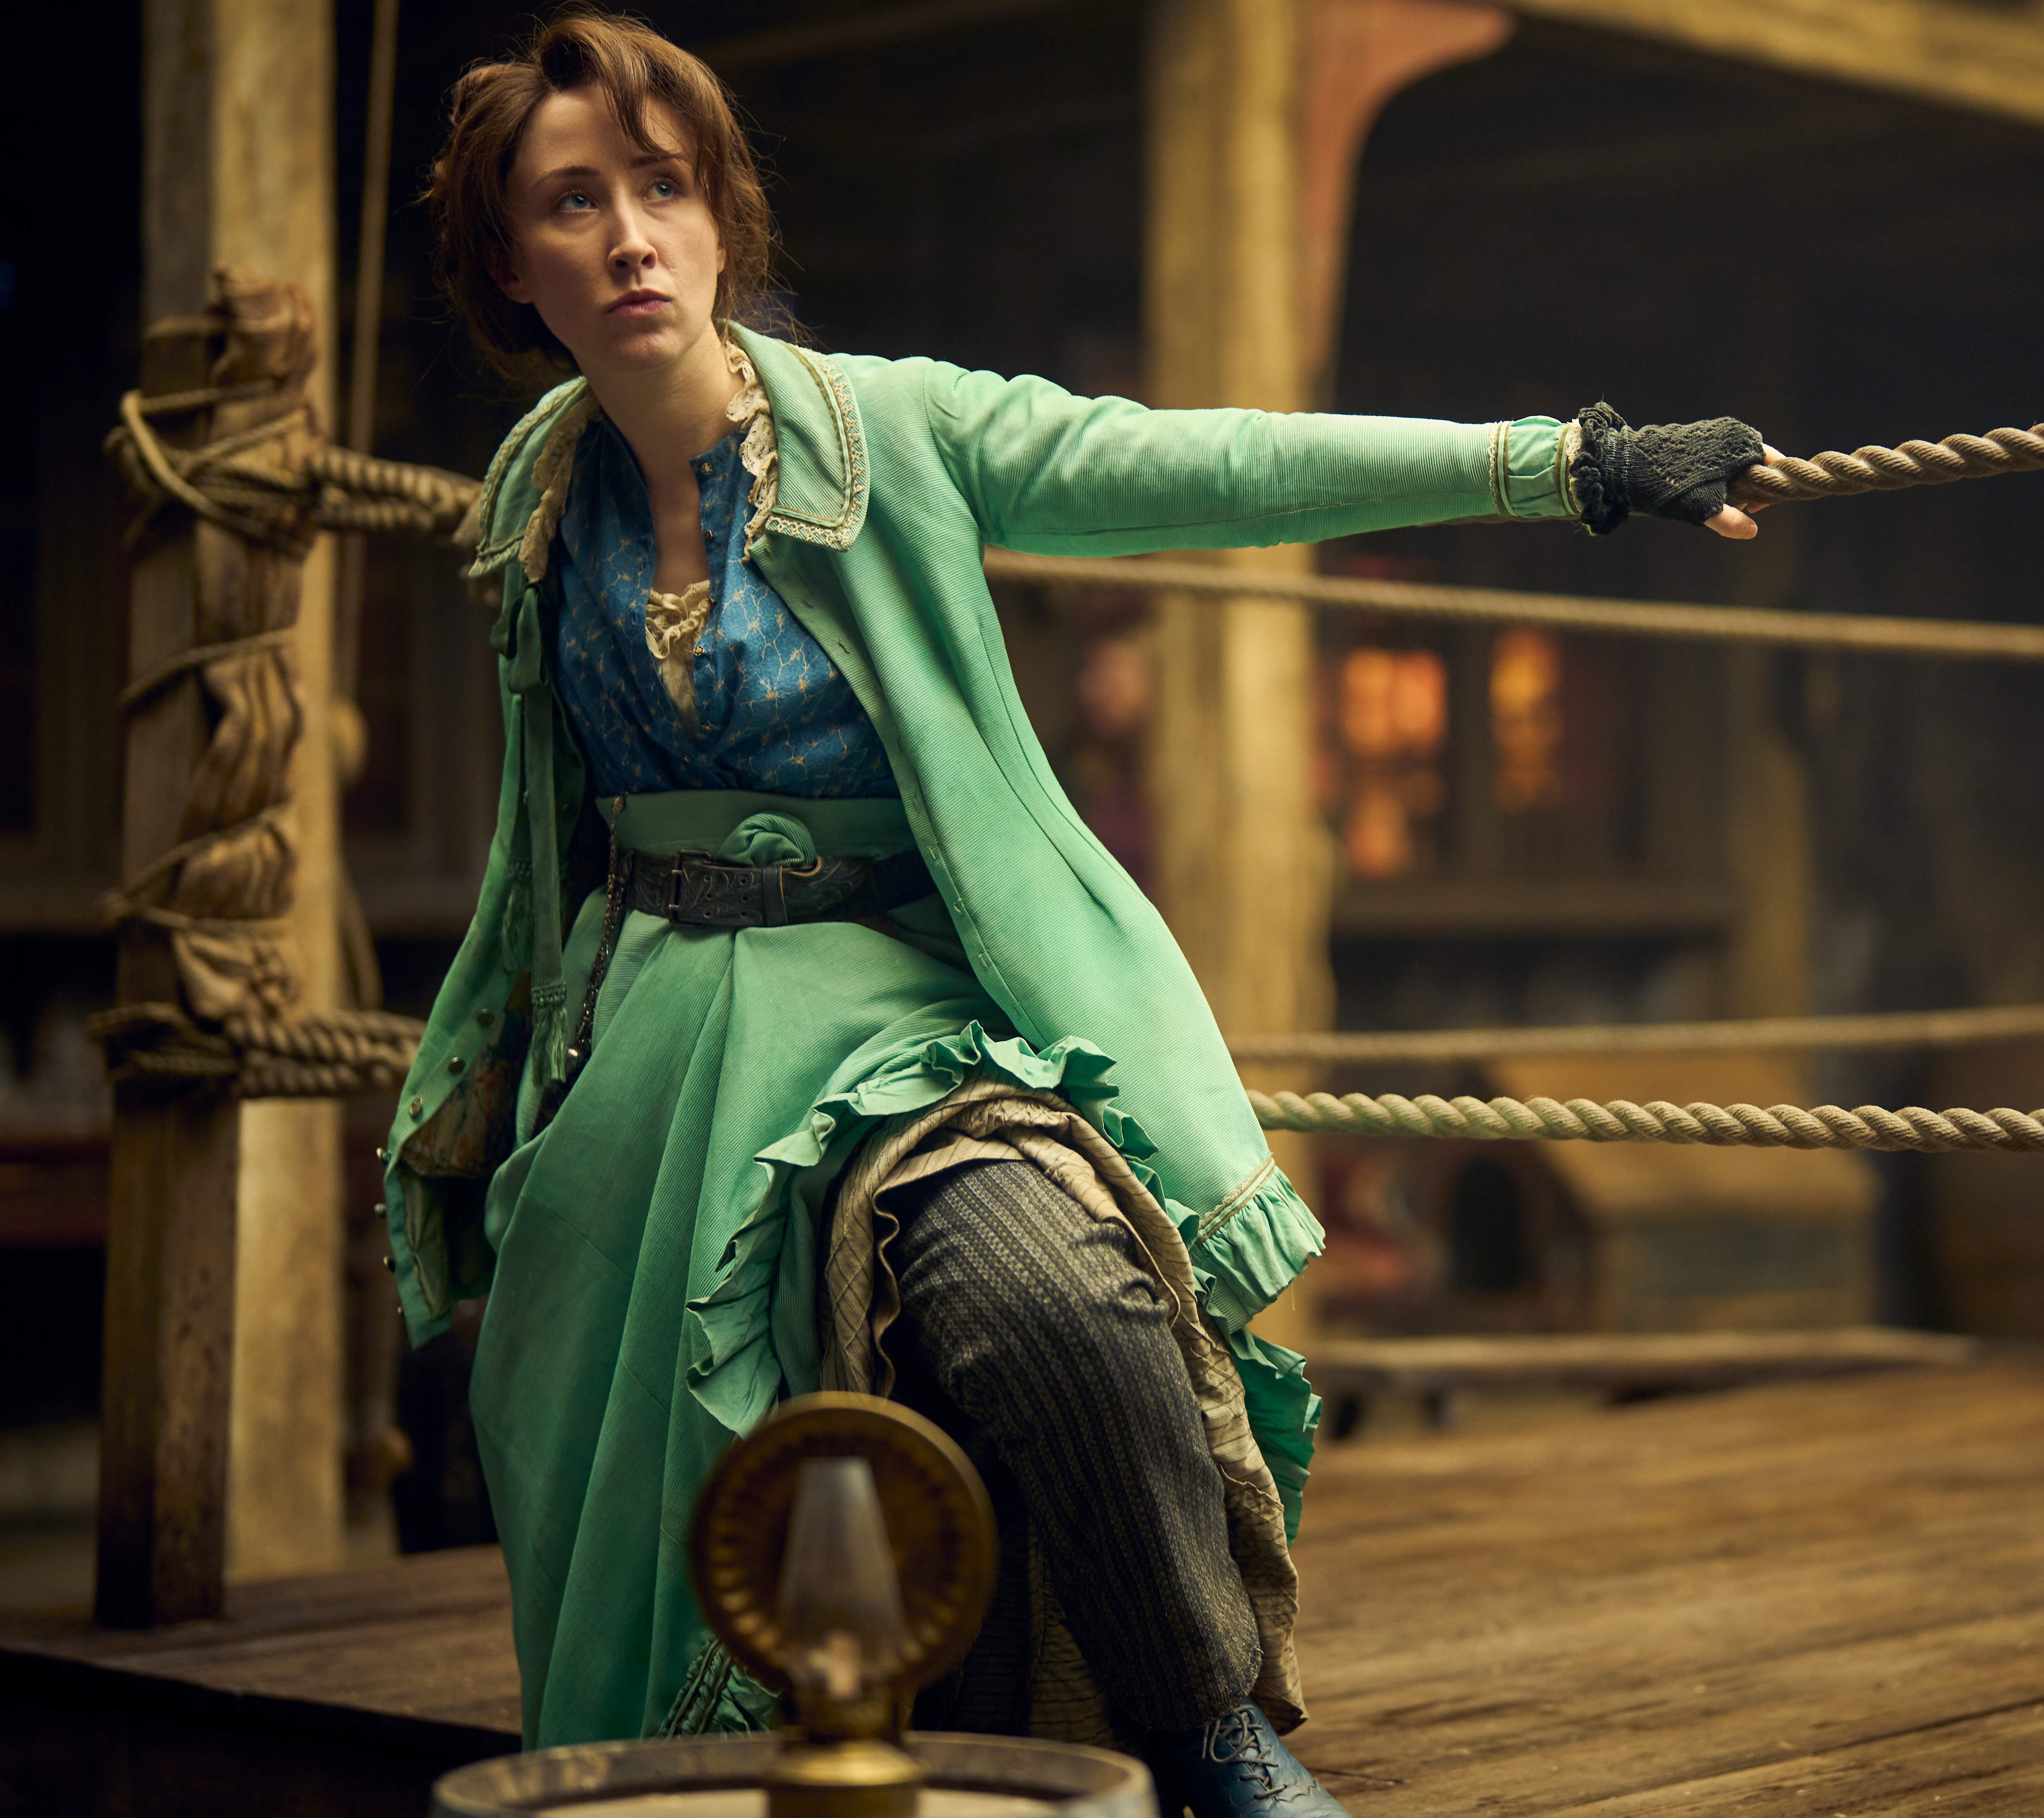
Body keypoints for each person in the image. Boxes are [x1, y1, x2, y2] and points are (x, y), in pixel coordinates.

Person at [374, 12, 1769, 1815]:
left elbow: (1218, 464)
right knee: (570, 1439)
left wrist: (1564, 466)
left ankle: (1212, 1733)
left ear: (722, 220)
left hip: (900, 1022)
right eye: (574, 203)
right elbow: (539, 849)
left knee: (1047, 1296)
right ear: (512, 261)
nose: (629, 236)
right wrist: (496, 1080)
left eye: (664, 187)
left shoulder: (896, 430)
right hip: (637, 1064)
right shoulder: (534, 494)